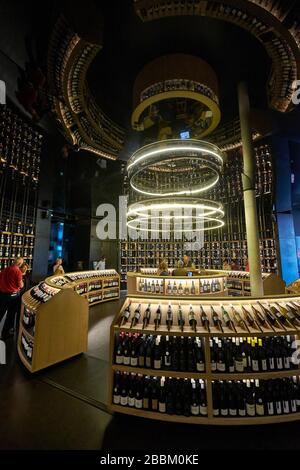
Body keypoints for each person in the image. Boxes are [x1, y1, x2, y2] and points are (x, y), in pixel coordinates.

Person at [0, 257, 24, 340]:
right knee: (10, 315)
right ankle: (5, 334)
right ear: (19, 264)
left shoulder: (5, 269)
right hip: (13, 296)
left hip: (2, 295)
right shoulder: (18, 271)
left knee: (0, 312)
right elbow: (21, 285)